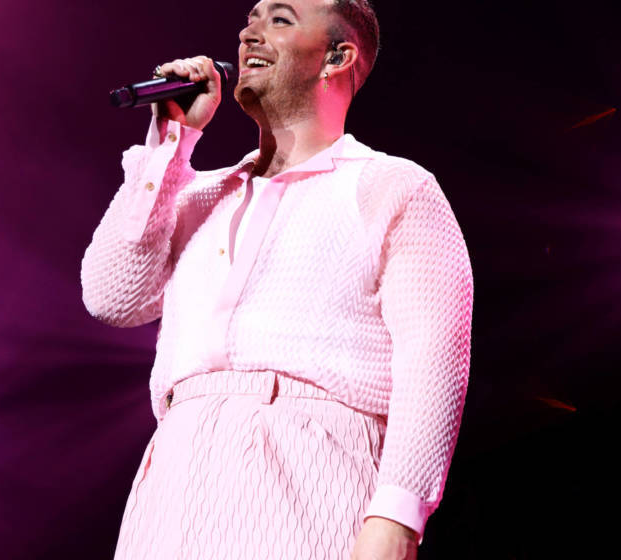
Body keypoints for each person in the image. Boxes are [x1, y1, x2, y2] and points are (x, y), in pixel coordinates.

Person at [81, 0, 473, 558]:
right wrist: (171, 140)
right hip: (171, 487)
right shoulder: (197, 195)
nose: (250, 33)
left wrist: (396, 518)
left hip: (309, 479)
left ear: (337, 57)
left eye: (280, 19)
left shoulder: (391, 187)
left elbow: (433, 362)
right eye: (252, 18)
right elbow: (111, 297)